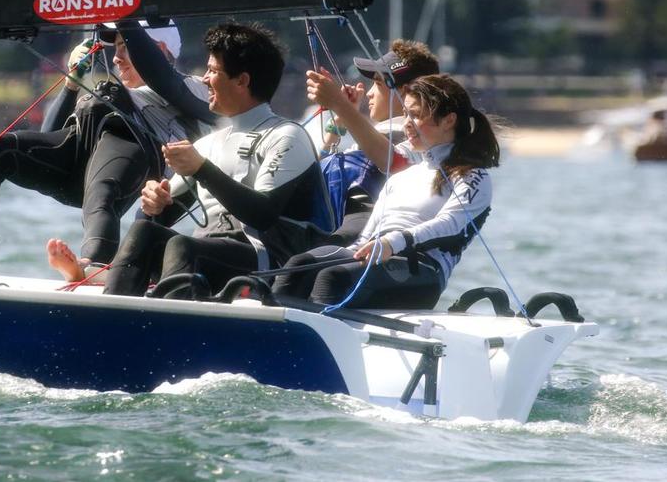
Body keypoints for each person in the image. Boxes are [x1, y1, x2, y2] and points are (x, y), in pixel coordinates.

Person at [0, 21, 216, 274]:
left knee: (109, 146)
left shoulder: (193, 89)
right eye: (115, 49)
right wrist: (71, 85)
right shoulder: (119, 88)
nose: (116, 58)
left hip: (130, 166)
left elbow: (160, 73)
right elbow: (51, 134)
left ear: (159, 49)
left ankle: (92, 266)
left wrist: (121, 8)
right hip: (79, 165)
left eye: (125, 47)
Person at [103, 22, 333, 297]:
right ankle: (112, 317)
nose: (203, 79)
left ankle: (168, 326)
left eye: (213, 71)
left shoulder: (287, 136)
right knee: (144, 233)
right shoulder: (208, 144)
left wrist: (201, 169)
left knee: (183, 246)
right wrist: (154, 205)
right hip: (215, 255)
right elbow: (158, 221)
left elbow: (262, 214)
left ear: (242, 81)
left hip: (274, 265)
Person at [271, 73, 500, 309]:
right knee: (296, 267)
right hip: (380, 255)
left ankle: (314, 335)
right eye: (406, 114)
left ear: (449, 121)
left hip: (423, 271)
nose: (407, 123)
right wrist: (346, 253)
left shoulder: (473, 176)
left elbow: (450, 223)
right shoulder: (402, 176)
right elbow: (363, 239)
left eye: (417, 115)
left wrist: (393, 242)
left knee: (333, 276)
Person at [315, 40, 439, 243]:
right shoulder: (379, 135)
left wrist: (340, 106)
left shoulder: (418, 139)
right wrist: (340, 121)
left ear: (406, 92)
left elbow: (392, 161)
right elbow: (318, 177)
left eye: (379, 83)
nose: (370, 93)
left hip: (366, 237)